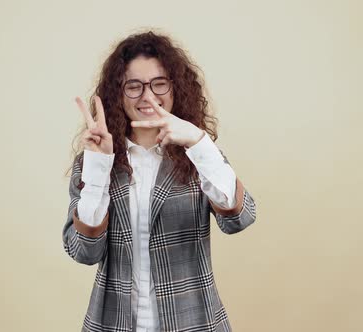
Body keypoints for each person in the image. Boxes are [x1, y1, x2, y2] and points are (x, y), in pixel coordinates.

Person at [62, 31, 257, 332]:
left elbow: (239, 219)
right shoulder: (93, 162)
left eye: (159, 83)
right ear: (118, 93)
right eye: (134, 86)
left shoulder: (199, 155)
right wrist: (99, 167)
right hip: (113, 324)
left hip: (195, 322)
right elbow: (84, 252)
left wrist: (198, 141)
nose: (148, 96)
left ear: (175, 87)